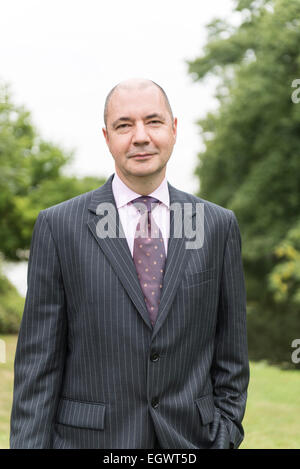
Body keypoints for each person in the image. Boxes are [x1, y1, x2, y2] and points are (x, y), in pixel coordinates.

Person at [10, 78, 249, 449]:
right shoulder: (59, 227)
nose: (140, 136)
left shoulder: (216, 225)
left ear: (174, 129)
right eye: (124, 125)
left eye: (153, 121)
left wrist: (225, 433)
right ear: (107, 137)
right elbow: (38, 367)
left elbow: (231, 355)